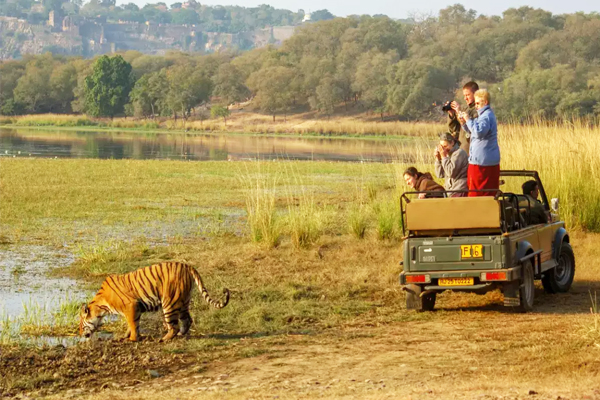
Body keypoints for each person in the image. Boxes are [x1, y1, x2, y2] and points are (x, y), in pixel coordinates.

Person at [459, 89, 500, 197]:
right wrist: (464, 124)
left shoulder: (486, 116)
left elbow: (478, 132)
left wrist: (468, 119)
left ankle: (477, 213)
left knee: (476, 193)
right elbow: (473, 132)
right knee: (487, 192)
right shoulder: (484, 115)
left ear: (485, 102)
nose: (476, 106)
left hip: (482, 163)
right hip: (485, 161)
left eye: (477, 103)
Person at [446, 81, 479, 154]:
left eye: (468, 95)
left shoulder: (479, 110)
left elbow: (472, 129)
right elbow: (454, 129)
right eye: (464, 95)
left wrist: (458, 112)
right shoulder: (465, 109)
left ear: (476, 94)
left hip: (473, 151)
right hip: (462, 150)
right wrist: (452, 115)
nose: (465, 98)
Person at [434, 132, 468, 197]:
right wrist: (438, 160)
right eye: (441, 147)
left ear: (452, 143)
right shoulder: (447, 155)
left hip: (460, 190)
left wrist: (443, 157)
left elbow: (450, 172)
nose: (443, 149)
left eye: (445, 146)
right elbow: (439, 174)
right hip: (450, 191)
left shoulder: (459, 153)